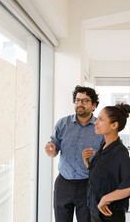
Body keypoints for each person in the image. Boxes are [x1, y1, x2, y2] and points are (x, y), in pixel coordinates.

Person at [45, 85, 105, 222]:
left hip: (88, 185)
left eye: (85, 101)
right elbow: (54, 151)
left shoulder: (100, 127)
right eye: (77, 100)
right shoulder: (63, 123)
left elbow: (106, 158)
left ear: (94, 105)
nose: (80, 104)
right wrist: (51, 150)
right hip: (63, 184)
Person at [82, 103, 130, 222]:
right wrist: (87, 162)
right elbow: (103, 176)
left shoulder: (119, 152)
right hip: (95, 211)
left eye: (101, 119)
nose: (96, 122)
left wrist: (105, 199)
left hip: (109, 216)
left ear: (114, 125)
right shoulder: (104, 146)